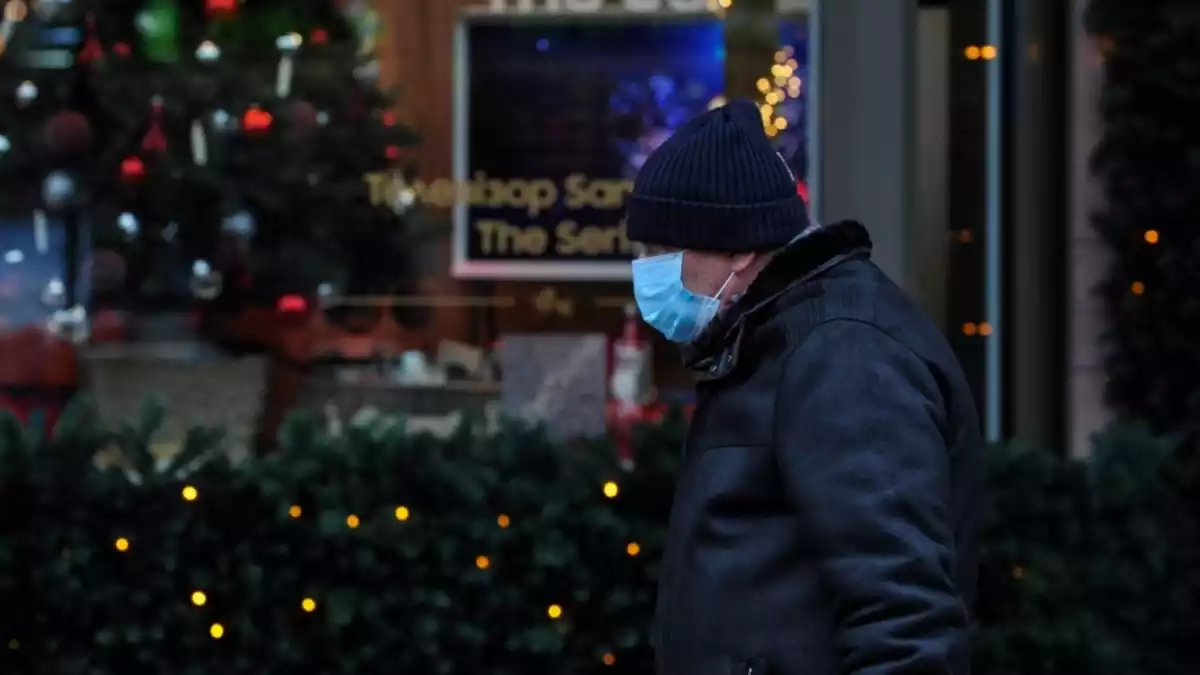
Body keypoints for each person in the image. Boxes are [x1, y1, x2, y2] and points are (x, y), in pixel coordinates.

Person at [624, 98, 982, 675]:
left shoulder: (843, 353)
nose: (645, 270)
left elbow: (905, 620)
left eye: (660, 252)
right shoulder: (775, 338)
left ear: (739, 250)